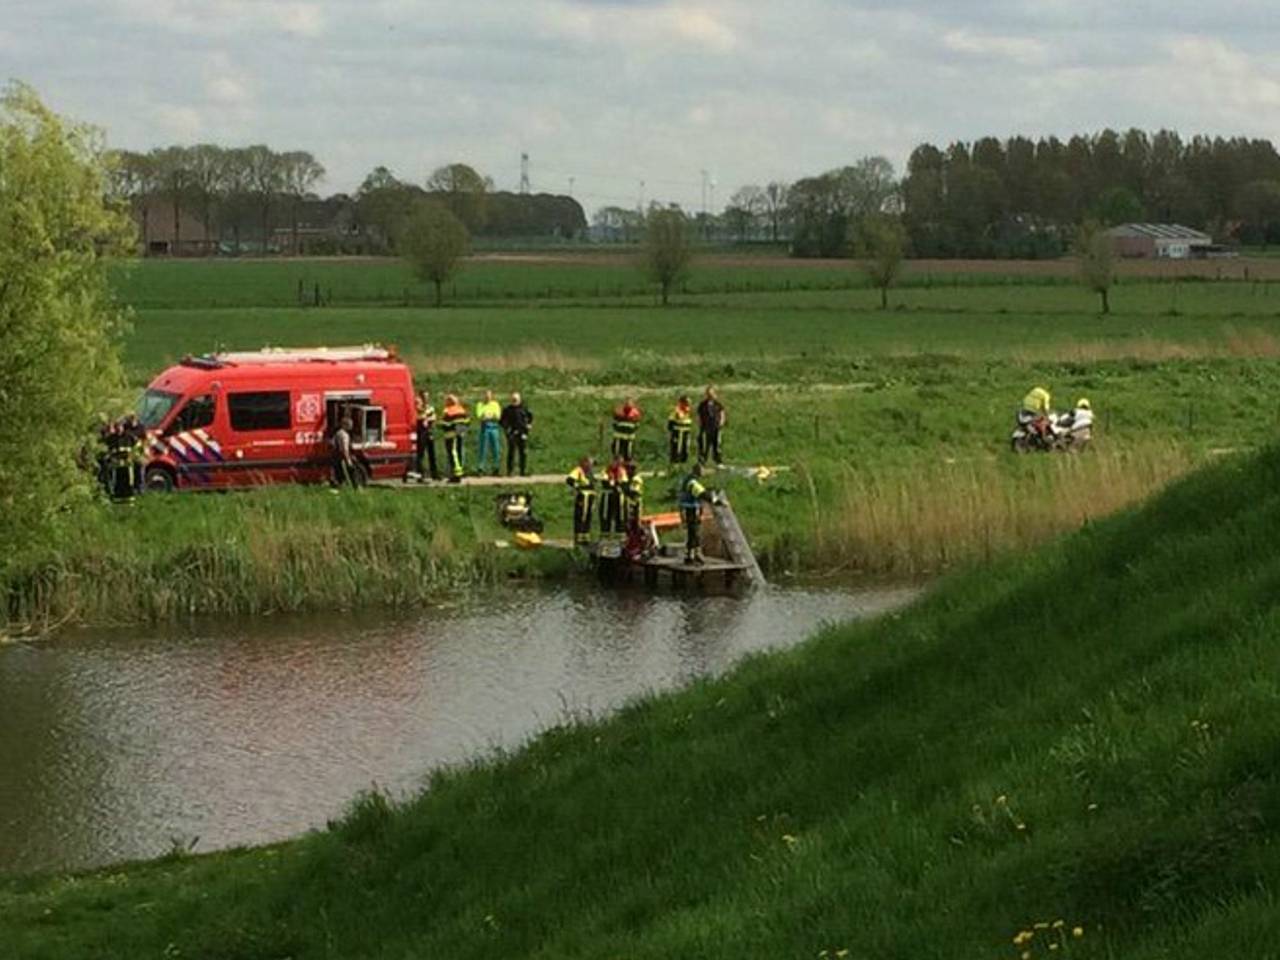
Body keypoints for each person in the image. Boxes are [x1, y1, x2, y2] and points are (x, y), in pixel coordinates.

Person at [678, 462, 718, 564]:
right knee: (694, 532)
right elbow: (702, 494)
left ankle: (690, 555)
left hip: (686, 508)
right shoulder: (693, 483)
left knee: (691, 533)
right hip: (691, 510)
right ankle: (695, 554)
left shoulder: (687, 479)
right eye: (702, 470)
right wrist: (716, 500)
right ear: (698, 471)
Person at [500, 391, 534, 477]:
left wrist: (528, 425)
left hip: (522, 433)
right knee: (511, 452)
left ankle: (523, 470)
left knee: (523, 452)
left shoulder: (524, 409)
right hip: (512, 433)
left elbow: (530, 417)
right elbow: (502, 421)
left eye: (516, 399)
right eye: (513, 399)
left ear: (520, 399)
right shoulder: (507, 410)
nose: (515, 401)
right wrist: (507, 429)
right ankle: (510, 471)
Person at [565, 456, 597, 547]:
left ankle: (586, 538)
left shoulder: (590, 473)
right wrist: (577, 486)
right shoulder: (578, 470)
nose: (591, 466)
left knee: (588, 517)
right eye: (589, 463)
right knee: (580, 517)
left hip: (590, 497)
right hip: (582, 497)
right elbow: (569, 480)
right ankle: (578, 539)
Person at [441, 394, 470, 483]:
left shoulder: (448, 410)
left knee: (453, 454)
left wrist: (444, 426)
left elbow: (445, 424)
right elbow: (467, 422)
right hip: (460, 434)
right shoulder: (461, 409)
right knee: (459, 452)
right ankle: (459, 471)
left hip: (450, 435)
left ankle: (456, 474)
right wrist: (461, 431)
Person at [475, 389, 502, 476]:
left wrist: (487, 415)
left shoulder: (495, 404)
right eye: (486, 395)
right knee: (483, 448)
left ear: (491, 396)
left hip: (494, 427)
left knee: (496, 448)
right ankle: (481, 468)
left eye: (489, 395)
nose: (487, 397)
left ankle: (496, 467)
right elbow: (479, 415)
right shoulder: (480, 404)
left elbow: (497, 416)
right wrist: (489, 415)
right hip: (485, 428)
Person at [599, 455, 628, 537]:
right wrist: (615, 484)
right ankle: (605, 534)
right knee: (606, 515)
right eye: (617, 462)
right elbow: (605, 482)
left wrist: (617, 484)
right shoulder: (606, 470)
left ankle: (620, 533)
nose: (618, 464)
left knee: (620, 515)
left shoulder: (622, 471)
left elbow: (624, 483)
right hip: (608, 495)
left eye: (620, 463)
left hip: (619, 496)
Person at [414, 390, 439, 481]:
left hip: (429, 431)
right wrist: (425, 417)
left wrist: (426, 418)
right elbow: (417, 417)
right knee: (420, 454)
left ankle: (434, 474)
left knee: (432, 453)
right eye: (424, 397)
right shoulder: (417, 406)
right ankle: (421, 474)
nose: (426, 399)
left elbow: (434, 417)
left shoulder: (430, 407)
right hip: (421, 432)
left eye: (427, 397)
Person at [697, 386, 726, 466]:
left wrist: (721, 422)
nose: (710, 395)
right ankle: (703, 461)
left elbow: (722, 413)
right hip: (706, 427)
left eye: (712, 394)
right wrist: (700, 424)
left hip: (716, 426)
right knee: (705, 445)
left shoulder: (717, 404)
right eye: (709, 394)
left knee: (717, 444)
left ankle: (718, 461)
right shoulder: (703, 405)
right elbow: (699, 415)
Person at [611, 396, 642, 461]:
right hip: (619, 436)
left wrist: (632, 430)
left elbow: (637, 424)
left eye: (630, 403)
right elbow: (614, 422)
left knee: (629, 452)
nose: (628, 404)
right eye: (626, 403)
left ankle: (628, 461)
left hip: (630, 437)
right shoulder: (618, 412)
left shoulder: (635, 413)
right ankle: (617, 461)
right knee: (617, 452)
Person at [331, 416, 358, 487]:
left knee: (339, 473)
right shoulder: (344, 435)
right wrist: (348, 459)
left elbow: (333, 444)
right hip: (342, 456)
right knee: (351, 470)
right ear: (344, 425)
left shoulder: (338, 433)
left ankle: (340, 485)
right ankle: (355, 486)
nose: (351, 426)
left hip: (336, 456)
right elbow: (344, 448)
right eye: (350, 424)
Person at [666, 394, 693, 464]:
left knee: (686, 447)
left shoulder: (688, 410)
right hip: (677, 432)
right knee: (676, 448)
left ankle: (684, 462)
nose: (688, 404)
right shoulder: (676, 410)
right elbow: (671, 421)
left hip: (686, 431)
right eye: (687, 402)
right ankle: (675, 462)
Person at [621, 459, 644, 528]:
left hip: (635, 501)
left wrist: (625, 487)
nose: (626, 471)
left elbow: (634, 490)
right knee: (627, 519)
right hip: (628, 501)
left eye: (628, 469)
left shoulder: (636, 479)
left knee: (636, 520)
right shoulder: (627, 479)